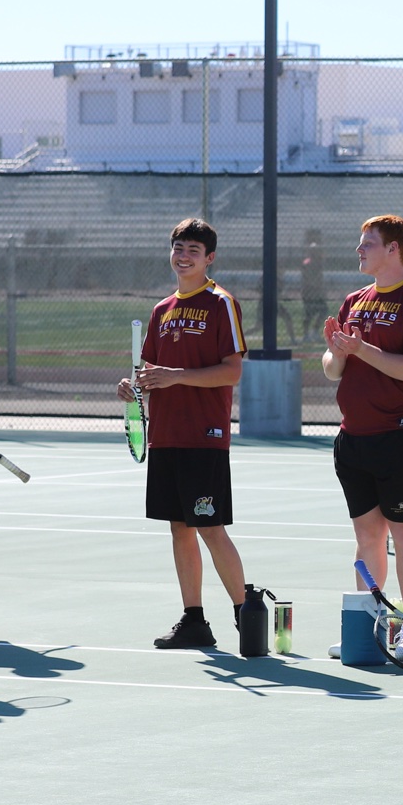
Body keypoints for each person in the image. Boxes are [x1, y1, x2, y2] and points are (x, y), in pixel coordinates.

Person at [119, 218, 257, 649]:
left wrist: (176, 375)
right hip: (166, 435)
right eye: (178, 248)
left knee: (210, 527)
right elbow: (150, 374)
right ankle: (194, 620)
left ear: (209, 258)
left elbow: (232, 371)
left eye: (193, 250)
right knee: (179, 528)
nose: (183, 256)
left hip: (204, 436)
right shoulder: (161, 310)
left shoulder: (221, 304)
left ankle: (247, 616)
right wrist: (132, 388)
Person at [322, 214, 403, 663]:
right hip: (354, 437)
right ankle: (371, 626)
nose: (359, 249)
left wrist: (361, 349)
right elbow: (332, 369)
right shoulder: (354, 301)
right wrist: (337, 352)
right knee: (367, 535)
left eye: (368, 243)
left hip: (402, 436)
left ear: (393, 249)